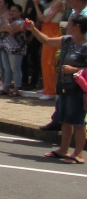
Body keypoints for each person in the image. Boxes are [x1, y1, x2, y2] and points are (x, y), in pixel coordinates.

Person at [27, 15, 87, 162]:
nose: (66, 24)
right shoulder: (66, 40)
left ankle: (78, 154)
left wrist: (74, 69)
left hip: (77, 88)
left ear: (77, 26)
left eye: (70, 22)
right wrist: (33, 29)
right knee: (65, 119)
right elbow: (46, 41)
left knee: (78, 122)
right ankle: (63, 150)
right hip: (64, 86)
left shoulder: (85, 46)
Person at [36, 0, 66, 100]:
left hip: (52, 31)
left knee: (49, 61)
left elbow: (46, 19)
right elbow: (43, 19)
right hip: (47, 30)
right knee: (45, 60)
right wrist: (36, 5)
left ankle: (51, 90)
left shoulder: (59, 3)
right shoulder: (52, 3)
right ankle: (47, 87)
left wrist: (37, 8)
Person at [0, 3, 27, 96]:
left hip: (16, 48)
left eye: (14, 11)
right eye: (11, 11)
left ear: (20, 12)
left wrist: (6, 23)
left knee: (15, 68)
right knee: (6, 68)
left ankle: (16, 89)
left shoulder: (21, 22)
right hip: (5, 47)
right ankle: (6, 87)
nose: (12, 13)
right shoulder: (9, 22)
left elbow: (12, 30)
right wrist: (7, 27)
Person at [22, 0, 42, 91]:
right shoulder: (28, 2)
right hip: (26, 34)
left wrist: (32, 36)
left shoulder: (38, 3)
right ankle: (24, 81)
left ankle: (34, 82)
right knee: (24, 59)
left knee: (34, 59)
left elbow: (39, 22)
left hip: (35, 35)